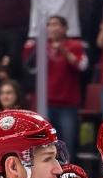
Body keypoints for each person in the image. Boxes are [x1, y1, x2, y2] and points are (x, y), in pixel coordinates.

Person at [23, 15, 89, 156]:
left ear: (65, 28)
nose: (53, 28)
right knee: (45, 145)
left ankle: (67, 175)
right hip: (46, 103)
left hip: (68, 104)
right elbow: (29, 67)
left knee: (67, 144)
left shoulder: (75, 45)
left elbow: (82, 66)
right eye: (50, 25)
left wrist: (65, 51)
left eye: (56, 24)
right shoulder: (42, 47)